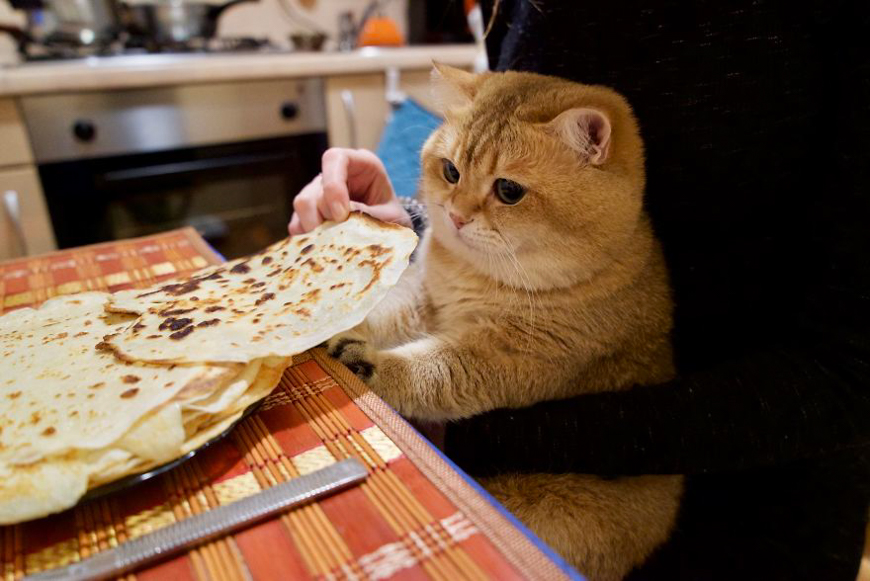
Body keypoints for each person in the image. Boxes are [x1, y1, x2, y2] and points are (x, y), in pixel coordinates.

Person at [290, 1, 870, 578]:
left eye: (506, 191)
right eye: (450, 173)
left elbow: (850, 373)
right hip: (461, 448)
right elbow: (492, 159)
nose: (461, 206)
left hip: (712, 504)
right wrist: (406, 226)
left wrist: (445, 423)